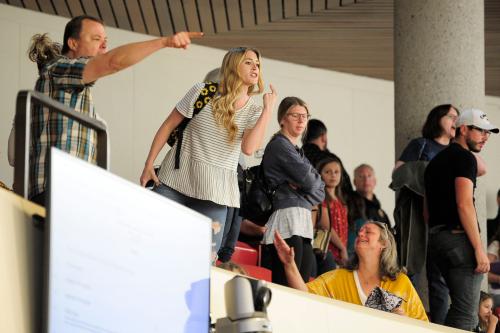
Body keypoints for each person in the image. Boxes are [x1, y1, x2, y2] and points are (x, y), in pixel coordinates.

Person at [25, 15, 201, 206]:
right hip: (56, 188)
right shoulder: (57, 69)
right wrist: (165, 41)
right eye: (96, 39)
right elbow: (112, 62)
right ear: (73, 43)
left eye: (105, 41)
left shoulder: (77, 92)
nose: (103, 46)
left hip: (73, 189)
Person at [140, 47, 277, 260]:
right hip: (173, 183)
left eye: (258, 64)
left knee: (202, 263)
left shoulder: (254, 111)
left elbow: (248, 149)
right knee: (153, 247)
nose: (255, 68)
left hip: (214, 196)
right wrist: (149, 164)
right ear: (233, 65)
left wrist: (268, 110)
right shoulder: (202, 91)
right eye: (249, 62)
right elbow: (168, 125)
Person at [425, 108, 498, 330]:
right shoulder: (465, 158)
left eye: (489, 133)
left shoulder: (434, 162)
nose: (486, 137)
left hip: (437, 240)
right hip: (458, 241)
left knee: (457, 307)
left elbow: (426, 211)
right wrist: (478, 248)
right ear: (463, 129)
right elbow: (464, 203)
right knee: (467, 313)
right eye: (481, 131)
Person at [273, 221, 428, 321]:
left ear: (384, 244)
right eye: (360, 231)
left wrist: (404, 321)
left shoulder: (401, 282)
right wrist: (289, 264)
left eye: (368, 232)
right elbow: (304, 296)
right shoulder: (336, 277)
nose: (360, 234)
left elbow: (423, 326)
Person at [392, 104, 459, 324]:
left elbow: (481, 168)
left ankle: (438, 327)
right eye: (451, 116)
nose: (455, 121)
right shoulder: (421, 144)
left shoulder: (456, 151)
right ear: (437, 119)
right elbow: (398, 173)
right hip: (417, 216)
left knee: (439, 280)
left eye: (458, 118)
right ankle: (402, 322)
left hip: (442, 221)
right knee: (409, 270)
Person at [261, 96, 324, 286]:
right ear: (282, 119)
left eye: (304, 116)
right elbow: (312, 184)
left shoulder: (297, 151)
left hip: (302, 220)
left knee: (300, 287)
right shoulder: (280, 145)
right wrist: (309, 184)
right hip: (286, 219)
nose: (301, 120)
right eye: (295, 115)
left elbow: (319, 191)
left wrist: (308, 185)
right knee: (287, 287)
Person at [314, 156, 348, 271]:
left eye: (336, 172)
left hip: (340, 251)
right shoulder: (320, 198)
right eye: (327, 172)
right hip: (326, 250)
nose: (333, 175)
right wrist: (342, 248)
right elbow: (327, 227)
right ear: (320, 174)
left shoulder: (341, 201)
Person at [302, 118, 352, 196]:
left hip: (302, 205)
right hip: (330, 205)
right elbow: (346, 188)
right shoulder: (331, 160)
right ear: (323, 137)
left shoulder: (296, 156)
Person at [353, 164, 391, 230]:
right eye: (361, 176)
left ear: (375, 181)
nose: (366, 180)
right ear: (354, 182)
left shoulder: (380, 211)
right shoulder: (349, 205)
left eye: (369, 176)